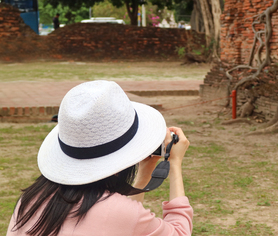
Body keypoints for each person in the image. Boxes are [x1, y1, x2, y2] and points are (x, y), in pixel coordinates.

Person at [6, 80, 193, 236]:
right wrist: (174, 163)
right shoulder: (118, 212)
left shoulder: (30, 200)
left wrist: (145, 173)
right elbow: (179, 232)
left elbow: (123, 226)